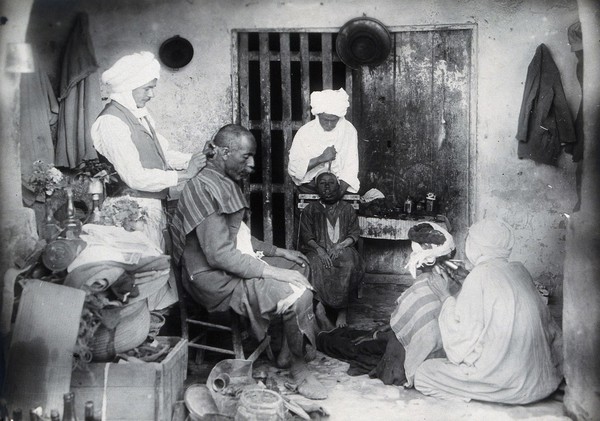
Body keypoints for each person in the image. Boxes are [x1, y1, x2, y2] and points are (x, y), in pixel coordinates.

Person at [170, 124, 328, 400]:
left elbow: (239, 238)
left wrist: (279, 252)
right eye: (246, 156)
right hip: (211, 278)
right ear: (224, 152)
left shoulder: (221, 181)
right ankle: (299, 368)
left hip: (227, 265)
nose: (252, 164)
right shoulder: (203, 188)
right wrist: (273, 273)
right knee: (294, 290)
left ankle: (284, 348)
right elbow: (219, 254)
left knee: (301, 266)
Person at [414, 218, 563, 404]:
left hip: (508, 384)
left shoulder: (480, 276)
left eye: (470, 240)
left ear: (479, 247)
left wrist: (445, 297)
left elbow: (461, 340)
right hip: (541, 380)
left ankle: (480, 393)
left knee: (423, 374)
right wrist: (469, 278)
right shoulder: (519, 270)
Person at [91, 51, 206, 250]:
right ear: (129, 87)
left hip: (149, 207)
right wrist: (184, 175)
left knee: (155, 266)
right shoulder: (111, 122)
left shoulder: (139, 116)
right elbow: (135, 177)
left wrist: (196, 159)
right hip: (128, 211)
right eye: (147, 89)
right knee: (141, 269)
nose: (151, 95)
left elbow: (162, 153)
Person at [299, 172, 364, 327]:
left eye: (331, 183)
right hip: (317, 249)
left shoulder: (347, 209)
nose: (327, 187)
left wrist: (340, 246)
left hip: (343, 248)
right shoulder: (311, 209)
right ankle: (319, 307)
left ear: (338, 186)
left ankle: (342, 311)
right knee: (314, 263)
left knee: (348, 262)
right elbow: (306, 235)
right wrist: (320, 251)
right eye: (322, 183)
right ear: (317, 187)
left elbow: (354, 233)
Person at [288, 88, 360, 198]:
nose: (330, 125)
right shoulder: (305, 132)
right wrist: (320, 159)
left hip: (339, 186)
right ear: (318, 116)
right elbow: (294, 169)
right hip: (310, 185)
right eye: (326, 120)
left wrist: (338, 193)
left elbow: (351, 167)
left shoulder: (349, 130)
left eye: (334, 120)